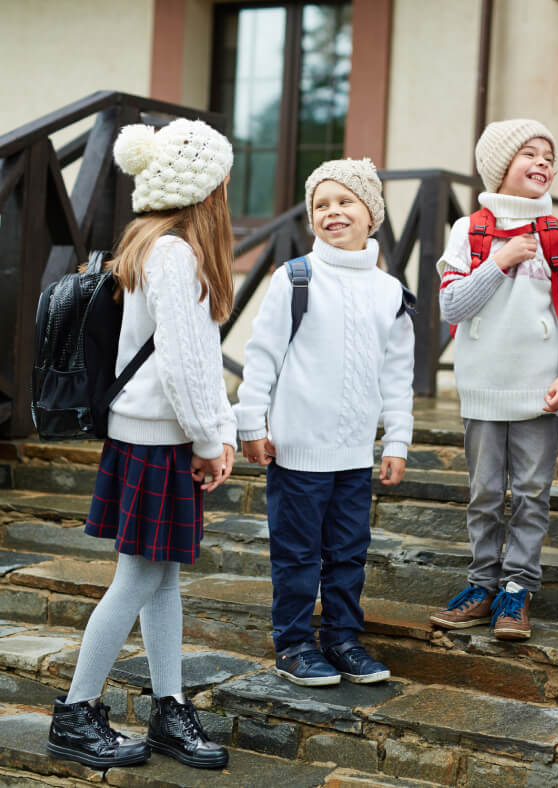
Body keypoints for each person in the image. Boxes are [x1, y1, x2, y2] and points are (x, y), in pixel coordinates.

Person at [47, 119, 236, 770]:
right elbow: (183, 366)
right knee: (136, 580)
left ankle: (168, 707)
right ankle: (76, 712)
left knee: (162, 580)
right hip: (157, 438)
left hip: (152, 436)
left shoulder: (153, 246)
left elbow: (198, 359)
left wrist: (221, 430)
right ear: (208, 190)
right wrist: (211, 439)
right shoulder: (176, 254)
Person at [235, 158, 414, 687]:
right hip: (296, 451)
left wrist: (397, 439)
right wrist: (250, 424)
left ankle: (341, 638)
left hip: (355, 455)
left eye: (345, 202)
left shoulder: (390, 292)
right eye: (321, 205)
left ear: (371, 213)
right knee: (296, 555)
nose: (332, 212)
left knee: (348, 554)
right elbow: (261, 356)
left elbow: (397, 373)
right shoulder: (295, 279)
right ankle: (293, 644)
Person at [428, 119, 558, 640]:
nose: (543, 162)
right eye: (530, 153)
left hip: (538, 391)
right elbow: (452, 303)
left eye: (550, 155)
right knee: (482, 492)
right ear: (500, 166)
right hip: (482, 389)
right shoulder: (468, 231)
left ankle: (517, 592)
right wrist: (498, 261)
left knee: (531, 492)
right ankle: (481, 585)